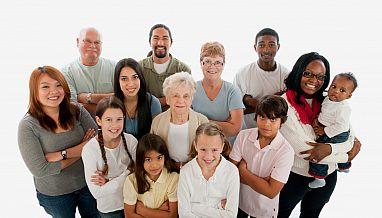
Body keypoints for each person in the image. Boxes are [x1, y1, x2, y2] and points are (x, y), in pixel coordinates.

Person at [277, 52, 362, 218]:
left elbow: (349, 136)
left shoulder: (330, 99)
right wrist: (346, 157)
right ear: (298, 72)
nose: (314, 81)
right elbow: (306, 150)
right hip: (296, 176)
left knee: (312, 214)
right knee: (281, 214)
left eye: (321, 77)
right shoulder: (284, 103)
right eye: (308, 74)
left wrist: (329, 149)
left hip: (329, 174)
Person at [18, 66, 98, 217]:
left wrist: (61, 155)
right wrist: (81, 149)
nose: (54, 91)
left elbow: (98, 143)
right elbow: (40, 169)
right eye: (45, 87)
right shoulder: (28, 126)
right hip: (55, 195)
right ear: (35, 92)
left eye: (58, 85)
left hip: (89, 184)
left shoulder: (76, 110)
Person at [229, 95, 294, 218]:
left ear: (282, 121)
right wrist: (262, 182)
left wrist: (243, 171)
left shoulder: (286, 151)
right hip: (238, 202)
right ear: (256, 116)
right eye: (262, 117)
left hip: (263, 210)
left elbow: (271, 192)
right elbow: (230, 173)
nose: (266, 124)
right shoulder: (243, 136)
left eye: (273, 119)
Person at [82, 96, 137, 217]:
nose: (114, 125)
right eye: (108, 120)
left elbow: (140, 175)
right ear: (99, 120)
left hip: (134, 203)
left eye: (119, 119)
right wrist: (128, 172)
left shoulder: (131, 141)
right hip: (110, 209)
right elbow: (97, 192)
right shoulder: (90, 150)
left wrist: (109, 181)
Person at [178, 123, 240, 217]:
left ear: (222, 147)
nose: (208, 156)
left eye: (214, 150)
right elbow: (184, 214)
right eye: (203, 149)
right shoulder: (186, 172)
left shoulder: (232, 171)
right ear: (195, 145)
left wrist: (194, 207)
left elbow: (231, 215)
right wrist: (218, 207)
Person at [308, 72, 358, 188]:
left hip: (337, 133)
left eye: (342, 90)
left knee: (321, 152)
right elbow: (324, 112)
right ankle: (344, 167)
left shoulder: (343, 108)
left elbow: (342, 127)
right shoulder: (328, 99)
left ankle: (319, 177)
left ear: (349, 96)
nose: (335, 91)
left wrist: (324, 131)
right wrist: (317, 120)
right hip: (328, 127)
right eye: (334, 86)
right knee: (339, 151)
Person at [150, 72, 209, 170]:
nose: (180, 101)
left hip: (195, 171)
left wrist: (185, 167)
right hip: (166, 171)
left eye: (186, 96)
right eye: (175, 96)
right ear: (168, 99)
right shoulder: (157, 121)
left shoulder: (202, 121)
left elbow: (207, 153)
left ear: (191, 99)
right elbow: (153, 152)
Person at [233, 28, 289, 129]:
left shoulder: (286, 75)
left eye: (271, 45)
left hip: (275, 131)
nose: (266, 50)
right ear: (255, 47)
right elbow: (237, 109)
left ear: (278, 47)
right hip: (248, 128)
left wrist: (251, 101)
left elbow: (284, 110)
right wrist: (272, 101)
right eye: (261, 45)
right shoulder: (242, 73)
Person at [192, 41, 244, 143]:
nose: (212, 66)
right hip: (199, 147)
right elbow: (187, 123)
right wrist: (224, 124)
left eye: (217, 62)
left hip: (227, 148)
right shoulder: (191, 89)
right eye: (207, 61)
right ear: (201, 63)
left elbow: (234, 129)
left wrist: (200, 121)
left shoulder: (232, 91)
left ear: (223, 65)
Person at [62, 27, 116, 116]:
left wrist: (88, 97)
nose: (92, 46)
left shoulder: (114, 67)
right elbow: (73, 108)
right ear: (77, 42)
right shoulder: (67, 72)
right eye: (87, 41)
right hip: (83, 128)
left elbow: (123, 100)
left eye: (97, 42)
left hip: (115, 127)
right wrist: (110, 102)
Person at [123, 133, 179, 218]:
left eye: (159, 158)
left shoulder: (173, 178)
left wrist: (143, 211)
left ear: (165, 157)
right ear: (140, 160)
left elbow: (173, 215)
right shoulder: (132, 180)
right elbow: (129, 215)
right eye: (148, 159)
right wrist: (160, 212)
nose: (154, 165)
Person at [139, 24, 191, 110]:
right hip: (147, 118)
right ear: (150, 42)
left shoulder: (183, 70)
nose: (160, 43)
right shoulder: (139, 67)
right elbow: (137, 98)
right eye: (156, 38)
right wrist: (169, 98)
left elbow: (185, 99)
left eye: (165, 38)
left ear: (171, 42)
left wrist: (153, 101)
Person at [114, 58, 161, 139]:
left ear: (140, 78)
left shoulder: (153, 103)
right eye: (124, 79)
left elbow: (156, 137)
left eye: (135, 77)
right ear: (118, 81)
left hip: (146, 149)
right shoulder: (112, 104)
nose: (130, 84)